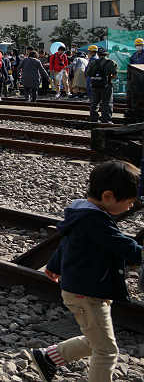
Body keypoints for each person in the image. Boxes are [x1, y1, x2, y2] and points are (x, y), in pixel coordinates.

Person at [27, 161, 143, 382]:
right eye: (129, 202)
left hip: (86, 289)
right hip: (88, 293)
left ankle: (48, 358)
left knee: (96, 339)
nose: (131, 207)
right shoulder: (95, 221)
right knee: (106, 351)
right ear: (108, 196)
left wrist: (54, 264)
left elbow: (69, 244)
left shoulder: (82, 214)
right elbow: (121, 245)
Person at [86, 47, 118, 124]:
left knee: (94, 103)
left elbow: (88, 74)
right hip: (106, 86)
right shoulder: (111, 62)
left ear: (98, 54)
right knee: (107, 103)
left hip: (95, 85)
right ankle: (106, 120)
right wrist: (109, 78)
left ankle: (93, 119)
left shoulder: (93, 62)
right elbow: (115, 75)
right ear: (107, 54)